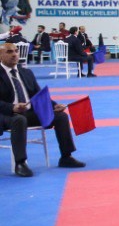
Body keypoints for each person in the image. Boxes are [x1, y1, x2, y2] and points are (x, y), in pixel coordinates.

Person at [1, 42, 85, 177]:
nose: (15, 54)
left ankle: (66, 157)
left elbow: (39, 95)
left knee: (61, 117)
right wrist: (12, 107)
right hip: (7, 115)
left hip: (28, 113)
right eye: (9, 52)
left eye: (16, 51)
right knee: (19, 120)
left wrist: (54, 106)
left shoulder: (26, 72)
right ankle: (20, 163)